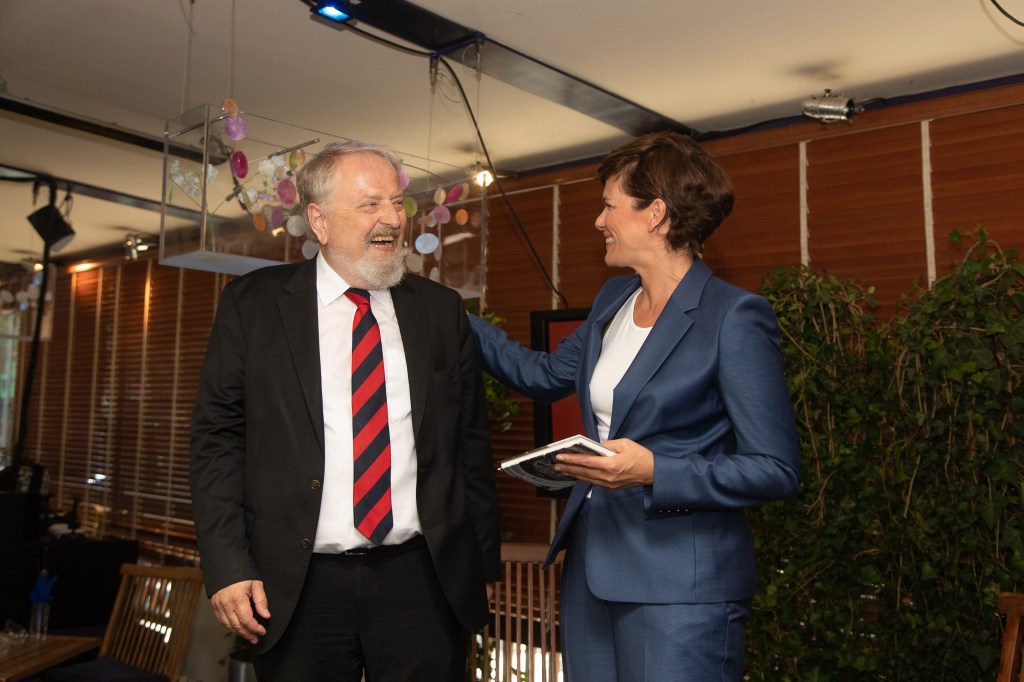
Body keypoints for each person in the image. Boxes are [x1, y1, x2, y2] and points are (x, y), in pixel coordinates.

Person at [470, 131, 800, 681]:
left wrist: (653, 470)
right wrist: (445, 311)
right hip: (592, 570)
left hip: (680, 588)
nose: (598, 220)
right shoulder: (614, 299)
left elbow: (775, 469)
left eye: (609, 206)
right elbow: (544, 375)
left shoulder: (734, 316)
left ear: (656, 214)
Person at [190, 140, 501, 682]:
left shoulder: (440, 310)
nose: (392, 219)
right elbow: (218, 441)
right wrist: (227, 564)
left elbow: (470, 445)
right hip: (296, 585)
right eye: (369, 204)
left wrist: (482, 564)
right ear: (320, 221)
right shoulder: (252, 305)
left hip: (423, 580)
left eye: (396, 203)